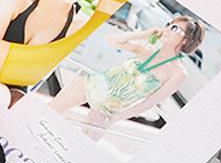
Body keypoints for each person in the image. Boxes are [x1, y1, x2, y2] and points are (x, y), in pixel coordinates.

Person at [51, 15, 205, 136]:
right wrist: (143, 34)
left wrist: (115, 119)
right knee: (49, 112)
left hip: (107, 111)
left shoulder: (178, 73)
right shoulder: (147, 50)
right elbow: (111, 40)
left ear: (186, 40)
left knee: (83, 146)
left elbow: (150, 102)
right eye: (169, 24)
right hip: (91, 85)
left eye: (175, 28)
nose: (168, 29)